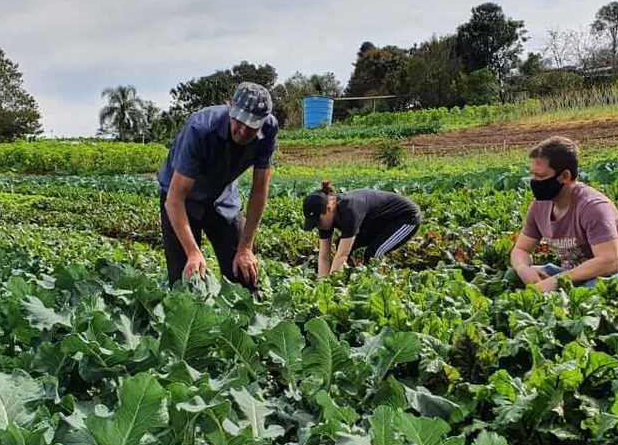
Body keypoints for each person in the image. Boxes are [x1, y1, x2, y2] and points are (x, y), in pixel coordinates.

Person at [156, 82, 276, 290]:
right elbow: (175, 200)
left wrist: (246, 247)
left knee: (244, 273)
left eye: (252, 125)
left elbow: (259, 191)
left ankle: (243, 320)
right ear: (230, 108)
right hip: (182, 201)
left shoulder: (269, 129)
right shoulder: (201, 128)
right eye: (239, 121)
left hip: (222, 198)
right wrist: (193, 252)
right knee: (186, 279)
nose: (243, 130)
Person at [510, 136, 618, 292]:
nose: (534, 181)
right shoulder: (540, 206)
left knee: (591, 289)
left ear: (565, 176)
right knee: (513, 274)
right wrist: (523, 269)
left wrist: (557, 281)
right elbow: (521, 249)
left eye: (541, 176)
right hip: (573, 276)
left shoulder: (593, 206)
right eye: (532, 175)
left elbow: (610, 262)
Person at [301, 182, 422, 276]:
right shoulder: (324, 220)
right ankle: (350, 279)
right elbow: (323, 257)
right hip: (376, 223)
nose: (318, 225)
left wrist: (332, 287)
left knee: (374, 254)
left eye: (318, 221)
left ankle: (378, 285)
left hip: (405, 218)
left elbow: (342, 255)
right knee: (339, 245)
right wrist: (322, 288)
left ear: (328, 209)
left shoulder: (349, 210)